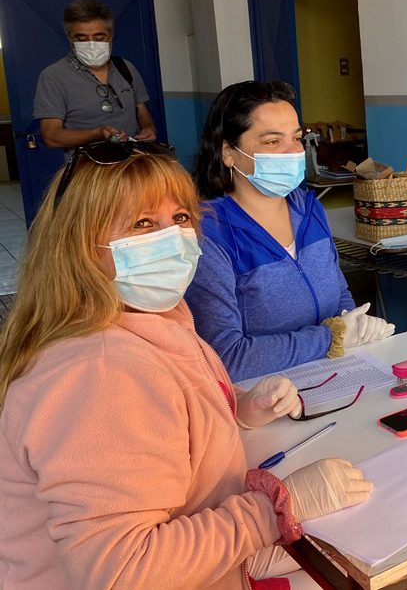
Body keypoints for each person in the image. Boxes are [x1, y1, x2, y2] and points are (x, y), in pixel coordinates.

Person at [0, 140, 372, 589]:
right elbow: (124, 573)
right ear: (80, 246)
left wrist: (235, 409)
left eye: (179, 218)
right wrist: (274, 508)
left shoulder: (148, 318)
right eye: (142, 223)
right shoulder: (98, 371)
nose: (172, 238)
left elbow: (159, 419)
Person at [187, 81, 393, 382]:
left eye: (297, 138)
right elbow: (226, 357)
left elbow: (339, 295)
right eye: (273, 141)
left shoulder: (309, 208)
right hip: (264, 395)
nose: (293, 151)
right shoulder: (209, 233)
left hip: (334, 376)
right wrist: (331, 338)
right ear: (228, 152)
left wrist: (357, 326)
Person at [34, 0, 157, 148]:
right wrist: (96, 134)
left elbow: (142, 111)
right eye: (82, 39)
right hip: (87, 162)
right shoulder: (53, 76)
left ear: (110, 37)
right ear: (70, 39)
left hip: (133, 159)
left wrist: (149, 128)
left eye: (99, 38)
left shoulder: (126, 67)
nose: (91, 45)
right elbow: (51, 137)